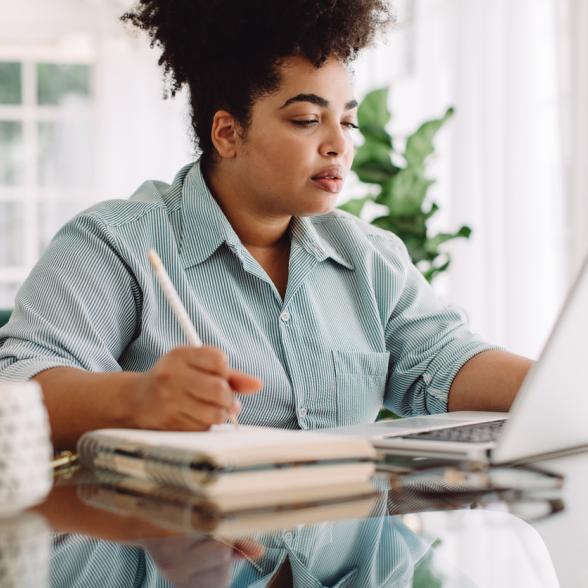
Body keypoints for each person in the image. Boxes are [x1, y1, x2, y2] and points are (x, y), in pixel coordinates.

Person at [0, 0, 532, 450]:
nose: (339, 144)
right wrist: (138, 400)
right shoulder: (113, 244)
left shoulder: (369, 257)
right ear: (228, 134)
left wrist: (559, 388)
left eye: (346, 120)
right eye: (306, 120)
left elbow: (444, 360)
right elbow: (18, 389)